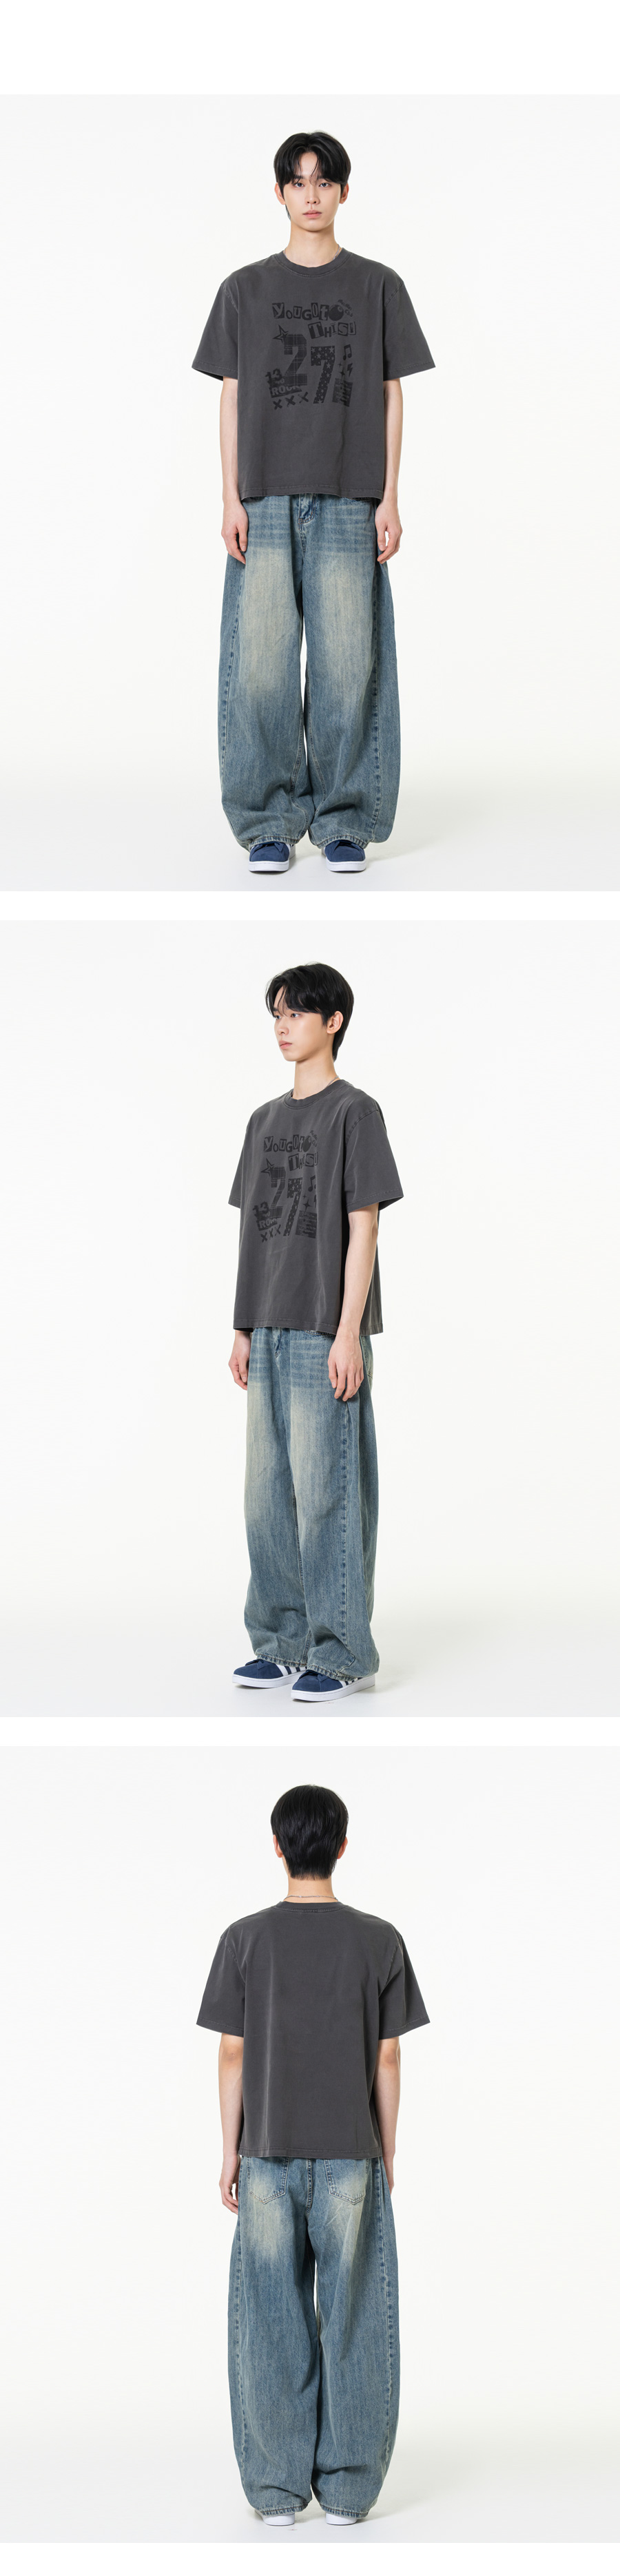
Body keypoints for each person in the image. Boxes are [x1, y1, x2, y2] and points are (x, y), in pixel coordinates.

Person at [193, 127, 434, 875]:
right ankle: (268, 819)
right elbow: (230, 396)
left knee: (347, 665)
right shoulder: (244, 289)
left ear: (344, 192)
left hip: (349, 496)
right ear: (279, 193)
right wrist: (230, 496)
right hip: (263, 498)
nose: (311, 195)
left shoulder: (378, 286)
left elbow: (391, 395)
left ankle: (345, 820)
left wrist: (389, 497)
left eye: (323, 181)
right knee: (260, 666)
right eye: (297, 182)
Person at [197, 1779, 429, 2526]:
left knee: (271, 2317)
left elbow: (233, 2053)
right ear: (342, 1846)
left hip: (265, 2153)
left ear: (277, 1846)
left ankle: (274, 2492)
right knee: (357, 2314)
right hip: (351, 2156)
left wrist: (230, 2151)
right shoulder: (380, 1939)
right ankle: (350, 2493)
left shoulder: (244, 1939)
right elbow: (387, 2056)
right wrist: (385, 2149)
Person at [228, 960, 403, 1700]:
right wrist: (242, 1326)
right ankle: (281, 1642)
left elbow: (365, 1229)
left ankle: (341, 1653)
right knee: (267, 1496)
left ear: (333, 1021)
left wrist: (348, 1330)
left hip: (323, 1329)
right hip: (268, 1325)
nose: (282, 1025)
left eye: (296, 1012)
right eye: (277, 1013)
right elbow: (253, 1234)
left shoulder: (355, 1113)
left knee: (329, 1492)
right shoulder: (263, 1120)